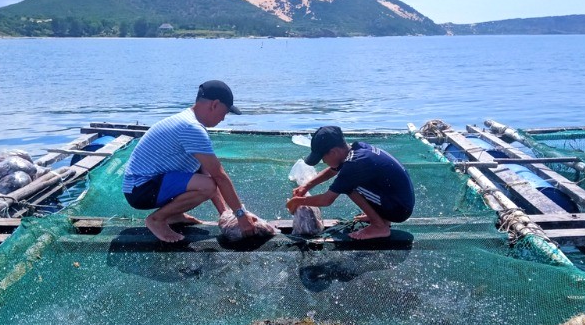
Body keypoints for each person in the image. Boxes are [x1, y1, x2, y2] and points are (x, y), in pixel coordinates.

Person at [122, 80, 257, 242]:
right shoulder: (191, 128)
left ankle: (174, 215)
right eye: (225, 112)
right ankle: (157, 219)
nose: (223, 118)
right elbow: (219, 177)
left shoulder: (189, 121)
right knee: (206, 186)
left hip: (144, 185)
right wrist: (240, 215)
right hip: (140, 189)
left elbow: (206, 172)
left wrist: (225, 214)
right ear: (214, 104)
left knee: (203, 178)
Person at [286, 126, 415, 240]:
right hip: (397, 199)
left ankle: (379, 226)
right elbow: (332, 171)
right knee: (348, 181)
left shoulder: (354, 165)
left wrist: (297, 201)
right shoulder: (356, 150)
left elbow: (327, 200)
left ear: (334, 152)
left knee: (349, 187)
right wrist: (306, 186)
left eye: (322, 158)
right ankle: (381, 218)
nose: (323, 162)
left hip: (399, 209)